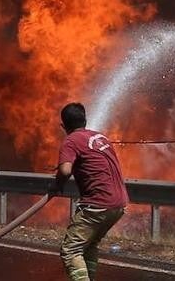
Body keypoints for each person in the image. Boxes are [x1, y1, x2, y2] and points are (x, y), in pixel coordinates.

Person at [49, 102, 128, 281]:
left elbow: (65, 171)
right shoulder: (101, 138)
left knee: (71, 250)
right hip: (119, 203)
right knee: (90, 244)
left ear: (63, 126)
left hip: (98, 204)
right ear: (85, 120)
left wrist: (57, 184)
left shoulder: (70, 141)